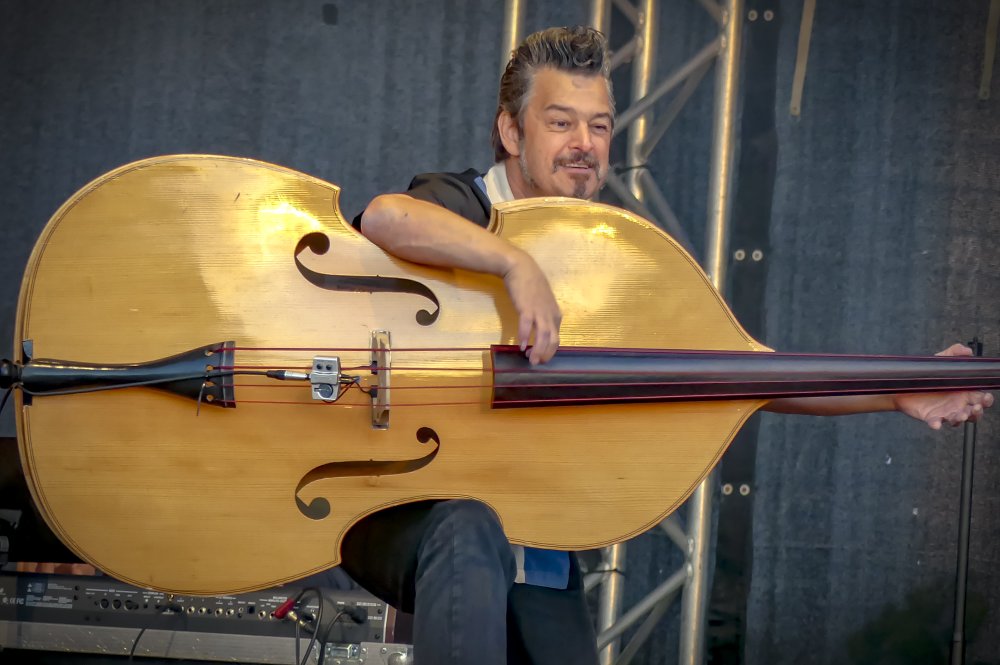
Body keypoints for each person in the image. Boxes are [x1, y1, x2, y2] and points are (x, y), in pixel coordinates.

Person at [340, 26, 993, 665]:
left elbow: (745, 374)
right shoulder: (469, 203)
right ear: (512, 133)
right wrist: (516, 264)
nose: (584, 144)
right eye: (561, 123)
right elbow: (387, 216)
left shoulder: (611, 260)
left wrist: (896, 391)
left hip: (532, 536)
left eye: (599, 126)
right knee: (468, 526)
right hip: (397, 503)